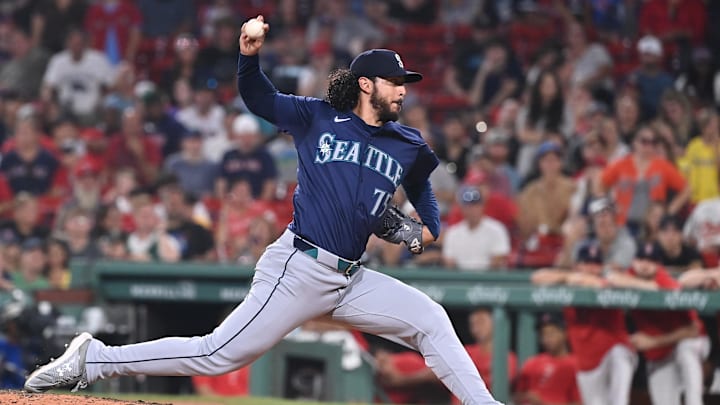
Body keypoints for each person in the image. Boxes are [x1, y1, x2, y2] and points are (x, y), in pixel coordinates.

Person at [24, 16, 503, 405]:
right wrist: (249, 57)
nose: (403, 90)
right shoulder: (317, 116)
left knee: (432, 319)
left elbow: (420, 185)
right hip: (298, 268)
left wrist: (429, 226)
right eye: (394, 82)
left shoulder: (407, 142)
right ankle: (93, 359)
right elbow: (258, 98)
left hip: (350, 279)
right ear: (365, 84)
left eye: (406, 82)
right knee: (217, 354)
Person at [532, 241, 637, 405]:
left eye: (595, 264)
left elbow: (601, 283)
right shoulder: (570, 282)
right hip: (587, 364)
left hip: (612, 352)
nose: (591, 268)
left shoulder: (609, 280)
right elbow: (537, 277)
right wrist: (568, 277)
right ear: (576, 266)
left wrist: (583, 278)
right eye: (586, 263)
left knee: (620, 356)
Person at [606, 242, 709, 405]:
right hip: (660, 353)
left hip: (690, 341)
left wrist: (654, 341)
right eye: (641, 259)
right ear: (634, 261)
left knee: (686, 351)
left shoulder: (668, 284)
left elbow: (693, 330)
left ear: (658, 265)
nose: (645, 265)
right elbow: (611, 278)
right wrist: (647, 286)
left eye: (651, 260)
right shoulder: (631, 275)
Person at [513, 312, 580, 405]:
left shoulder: (576, 365)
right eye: (543, 333)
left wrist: (543, 403)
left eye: (552, 332)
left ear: (564, 333)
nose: (547, 338)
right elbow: (517, 395)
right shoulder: (532, 363)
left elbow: (580, 402)